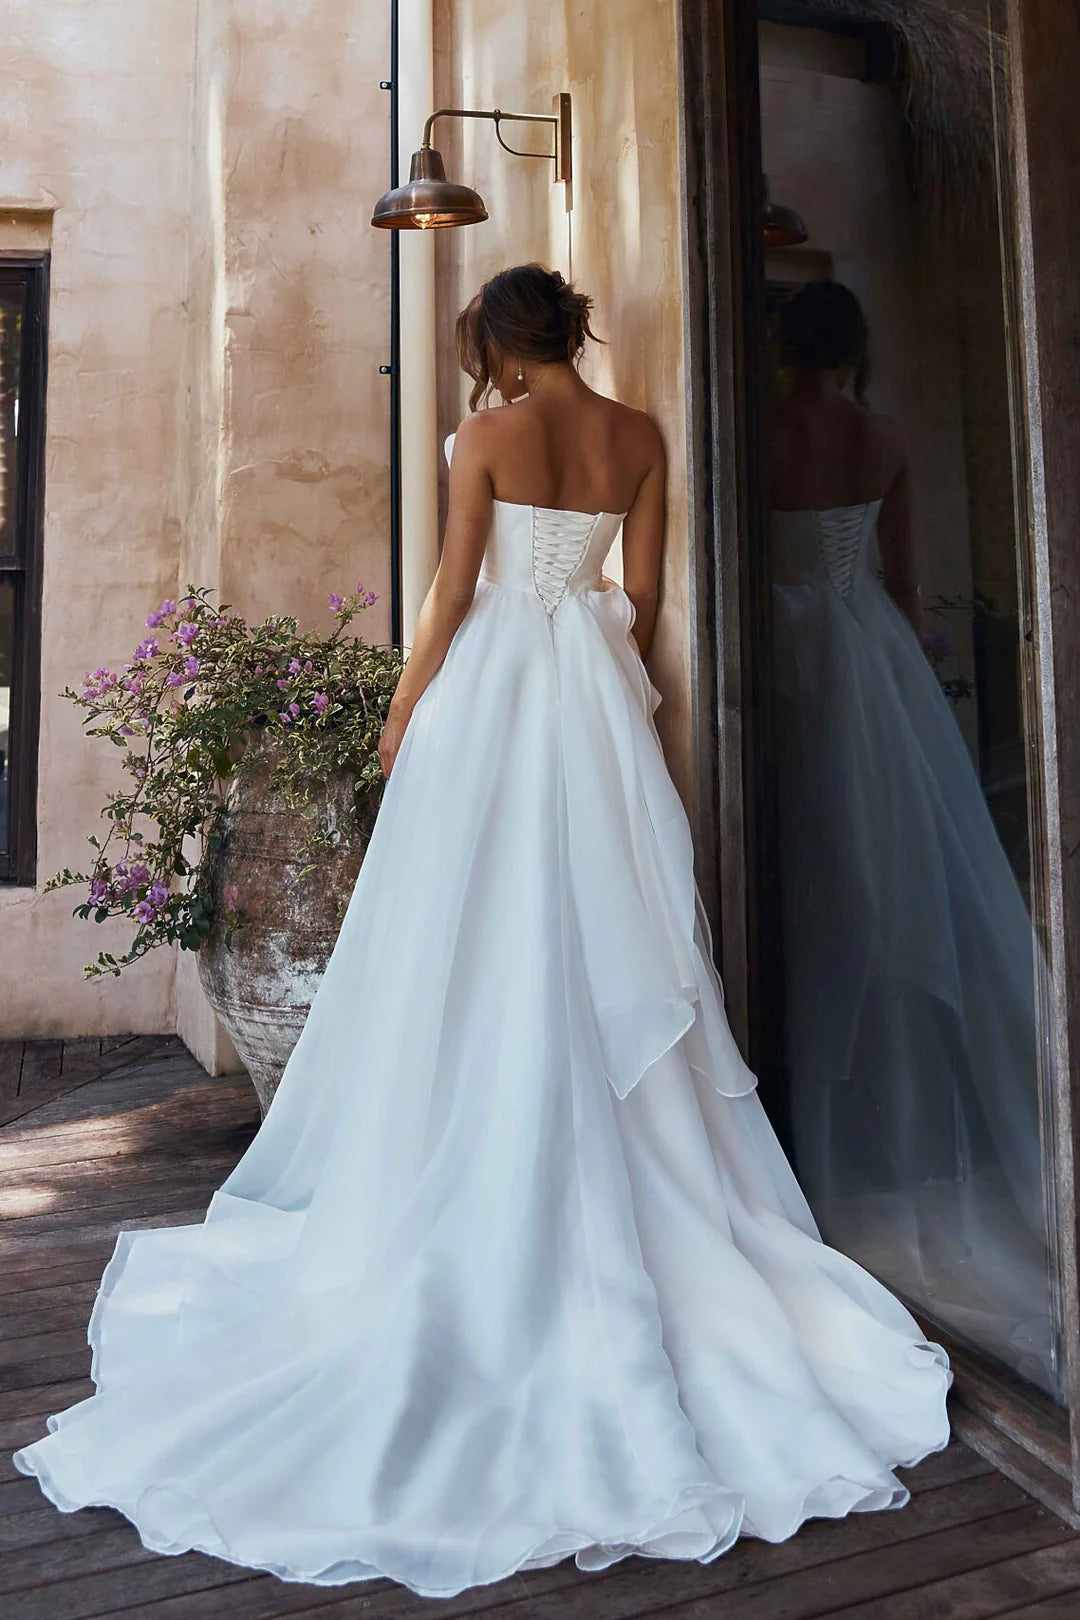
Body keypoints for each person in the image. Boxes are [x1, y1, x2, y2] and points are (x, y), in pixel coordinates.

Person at [14, 264, 950, 1599]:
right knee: (603, 928)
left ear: (500, 345)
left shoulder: (486, 435)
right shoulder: (641, 436)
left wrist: (402, 722)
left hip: (496, 699)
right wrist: (624, 698)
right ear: (572, 331)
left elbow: (453, 589)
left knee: (468, 940)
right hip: (594, 701)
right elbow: (647, 594)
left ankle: (477, 1139)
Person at [767, 279, 1052, 1392]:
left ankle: (805, 1104)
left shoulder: (760, 432)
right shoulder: (881, 436)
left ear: (785, 347)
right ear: (860, 348)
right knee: (886, 872)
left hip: (779, 652)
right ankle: (892, 1109)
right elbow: (906, 581)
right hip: (868, 657)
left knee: (805, 868)